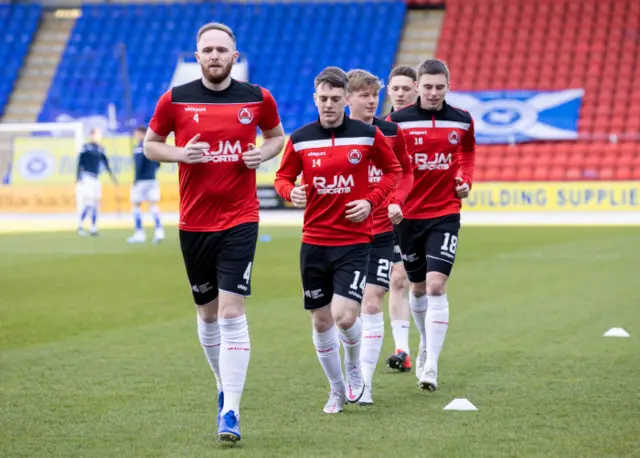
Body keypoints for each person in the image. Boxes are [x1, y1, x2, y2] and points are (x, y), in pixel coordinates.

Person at [144, 22, 285, 443]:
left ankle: (231, 411)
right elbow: (151, 144)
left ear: (234, 57)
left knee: (230, 312)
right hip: (194, 223)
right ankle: (222, 384)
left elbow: (277, 138)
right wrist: (179, 154)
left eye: (222, 50)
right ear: (197, 55)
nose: (215, 56)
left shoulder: (258, 99)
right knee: (206, 315)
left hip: (241, 218)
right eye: (207, 50)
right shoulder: (175, 100)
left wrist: (263, 152)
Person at [274, 66, 402, 414]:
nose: (328, 105)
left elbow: (394, 171)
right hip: (314, 242)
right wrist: (289, 192)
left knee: (345, 317)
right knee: (320, 321)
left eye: (335, 98)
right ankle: (335, 390)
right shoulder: (300, 138)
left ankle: (354, 368)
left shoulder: (365, 135)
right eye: (323, 98)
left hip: (354, 241)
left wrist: (371, 201)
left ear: (346, 99)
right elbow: (282, 177)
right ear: (314, 98)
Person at [387, 58, 476, 392]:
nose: (434, 93)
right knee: (418, 287)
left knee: (437, 286)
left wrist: (465, 180)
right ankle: (424, 341)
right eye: (428, 87)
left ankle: (431, 366)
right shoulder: (396, 122)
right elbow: (386, 166)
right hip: (407, 217)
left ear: (448, 87)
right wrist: (391, 200)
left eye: (440, 87)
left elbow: (467, 154)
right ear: (417, 87)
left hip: (445, 213)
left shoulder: (462, 120)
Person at [345, 69, 413, 405]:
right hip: (342, 234)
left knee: (372, 303)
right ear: (348, 98)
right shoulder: (337, 135)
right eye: (364, 94)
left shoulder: (390, 131)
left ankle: (365, 383)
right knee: (342, 314)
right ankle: (350, 368)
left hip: (381, 232)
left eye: (375, 94)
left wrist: (397, 201)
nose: (372, 100)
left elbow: (405, 172)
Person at [384, 65, 419, 373]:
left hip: (425, 213)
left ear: (416, 90)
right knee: (397, 280)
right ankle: (402, 349)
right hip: (392, 213)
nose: (400, 93)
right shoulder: (381, 128)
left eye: (405, 88)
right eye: (395, 89)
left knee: (423, 285)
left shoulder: (428, 123)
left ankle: (428, 345)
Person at [75, 127, 117, 236]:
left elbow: (106, 163)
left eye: (99, 135)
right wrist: (78, 178)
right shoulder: (86, 147)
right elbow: (80, 163)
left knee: (96, 203)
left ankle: (93, 227)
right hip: (87, 177)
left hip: (96, 178)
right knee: (88, 202)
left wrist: (112, 177)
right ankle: (80, 225)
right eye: (96, 135)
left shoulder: (101, 149)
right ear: (91, 135)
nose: (98, 137)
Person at [127, 125, 164, 244]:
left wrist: (136, 180)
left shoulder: (139, 147)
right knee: (153, 206)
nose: (136, 135)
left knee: (136, 206)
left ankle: (140, 234)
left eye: (137, 133)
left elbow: (139, 165)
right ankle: (159, 231)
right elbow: (158, 164)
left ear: (142, 134)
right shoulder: (153, 146)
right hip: (152, 180)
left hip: (141, 181)